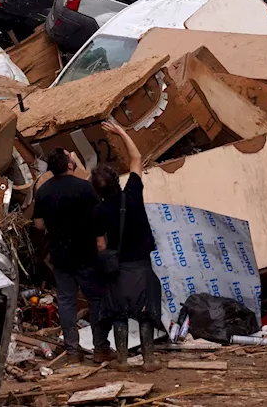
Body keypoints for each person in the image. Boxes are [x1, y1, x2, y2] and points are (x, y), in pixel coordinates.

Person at [92, 121, 162, 372]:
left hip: (119, 268)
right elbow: (137, 157)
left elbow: (100, 244)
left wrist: (106, 261)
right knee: (146, 311)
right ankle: (149, 359)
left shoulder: (99, 211)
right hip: (142, 264)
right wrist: (121, 132)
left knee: (119, 312)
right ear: (116, 180)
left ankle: (122, 359)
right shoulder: (132, 192)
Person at [34, 149, 113, 363]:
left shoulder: (43, 191)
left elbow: (39, 225)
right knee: (96, 300)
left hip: (60, 255)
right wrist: (100, 242)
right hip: (86, 253)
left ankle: (72, 351)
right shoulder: (85, 188)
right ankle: (100, 349)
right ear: (70, 165)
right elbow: (98, 216)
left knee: (67, 302)